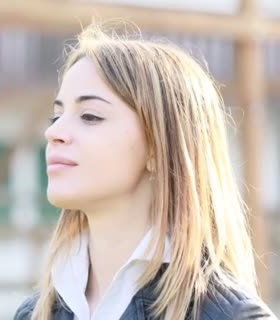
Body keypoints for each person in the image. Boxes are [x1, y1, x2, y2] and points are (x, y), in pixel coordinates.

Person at [14, 22, 278, 320]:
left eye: (89, 116)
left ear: (158, 146)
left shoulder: (230, 315)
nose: (54, 132)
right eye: (57, 115)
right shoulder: (34, 313)